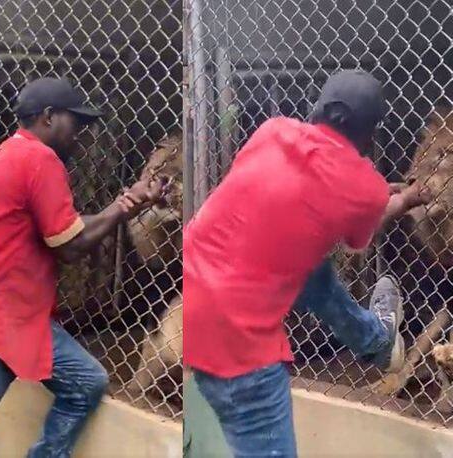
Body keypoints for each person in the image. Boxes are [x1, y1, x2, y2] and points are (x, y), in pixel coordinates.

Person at [0, 77, 167, 458]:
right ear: (48, 117)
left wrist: (124, 206)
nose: (80, 132)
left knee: (85, 383)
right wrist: (124, 207)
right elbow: (71, 244)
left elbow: (65, 230)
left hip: (7, 319)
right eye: (74, 121)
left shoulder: (8, 155)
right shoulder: (38, 159)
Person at [183, 70, 431, 457]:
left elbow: (298, 194)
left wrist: (376, 194)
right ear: (369, 130)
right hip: (242, 352)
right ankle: (376, 340)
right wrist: (409, 197)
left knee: (311, 266)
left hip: (198, 309)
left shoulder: (272, 130)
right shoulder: (363, 186)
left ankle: (375, 340)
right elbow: (365, 228)